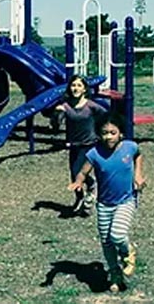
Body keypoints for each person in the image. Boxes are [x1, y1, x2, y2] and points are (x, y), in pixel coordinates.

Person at [68, 111, 146, 293]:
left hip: (126, 200)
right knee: (106, 241)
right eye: (104, 133)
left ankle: (128, 253)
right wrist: (78, 182)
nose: (108, 136)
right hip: (104, 204)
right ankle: (115, 274)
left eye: (113, 132)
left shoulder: (130, 147)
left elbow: (139, 155)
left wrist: (138, 175)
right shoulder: (94, 153)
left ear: (121, 133)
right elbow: (83, 172)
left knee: (117, 235)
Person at [55, 74, 106, 214]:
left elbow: (105, 117)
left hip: (89, 144)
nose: (75, 88)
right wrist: (57, 114)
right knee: (73, 174)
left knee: (79, 171)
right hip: (73, 144)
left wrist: (103, 134)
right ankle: (80, 198)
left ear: (84, 89)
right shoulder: (65, 106)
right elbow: (55, 125)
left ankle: (91, 185)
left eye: (79, 85)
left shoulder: (91, 106)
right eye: (73, 85)